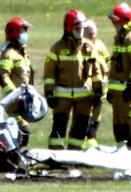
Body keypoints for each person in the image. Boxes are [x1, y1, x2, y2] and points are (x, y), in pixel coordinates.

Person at [43, 10, 101, 150]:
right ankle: (55, 156)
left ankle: (74, 157)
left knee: (80, 130)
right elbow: (49, 73)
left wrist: (98, 90)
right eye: (77, 28)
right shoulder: (57, 48)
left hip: (84, 98)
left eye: (82, 28)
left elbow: (96, 70)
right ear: (68, 28)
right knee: (59, 128)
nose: (80, 31)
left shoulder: (88, 47)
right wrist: (49, 94)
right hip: (62, 98)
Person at [107, 3, 131, 166]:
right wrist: (111, 89)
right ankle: (125, 161)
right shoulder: (119, 37)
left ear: (124, 20)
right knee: (120, 128)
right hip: (118, 93)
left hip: (129, 92)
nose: (113, 24)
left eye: (115, 21)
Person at [0, 17, 34, 146]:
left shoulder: (22, 54)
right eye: (23, 30)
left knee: (21, 134)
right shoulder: (9, 54)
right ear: (14, 32)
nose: (25, 34)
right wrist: (14, 94)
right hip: (14, 102)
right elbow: (2, 76)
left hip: (23, 101)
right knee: (23, 131)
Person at [81, 19, 109, 149]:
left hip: (101, 86)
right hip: (87, 87)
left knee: (97, 114)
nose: (92, 34)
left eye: (93, 32)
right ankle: (88, 141)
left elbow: (108, 62)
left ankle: (92, 139)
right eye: (89, 32)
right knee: (87, 114)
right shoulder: (82, 46)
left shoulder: (100, 45)